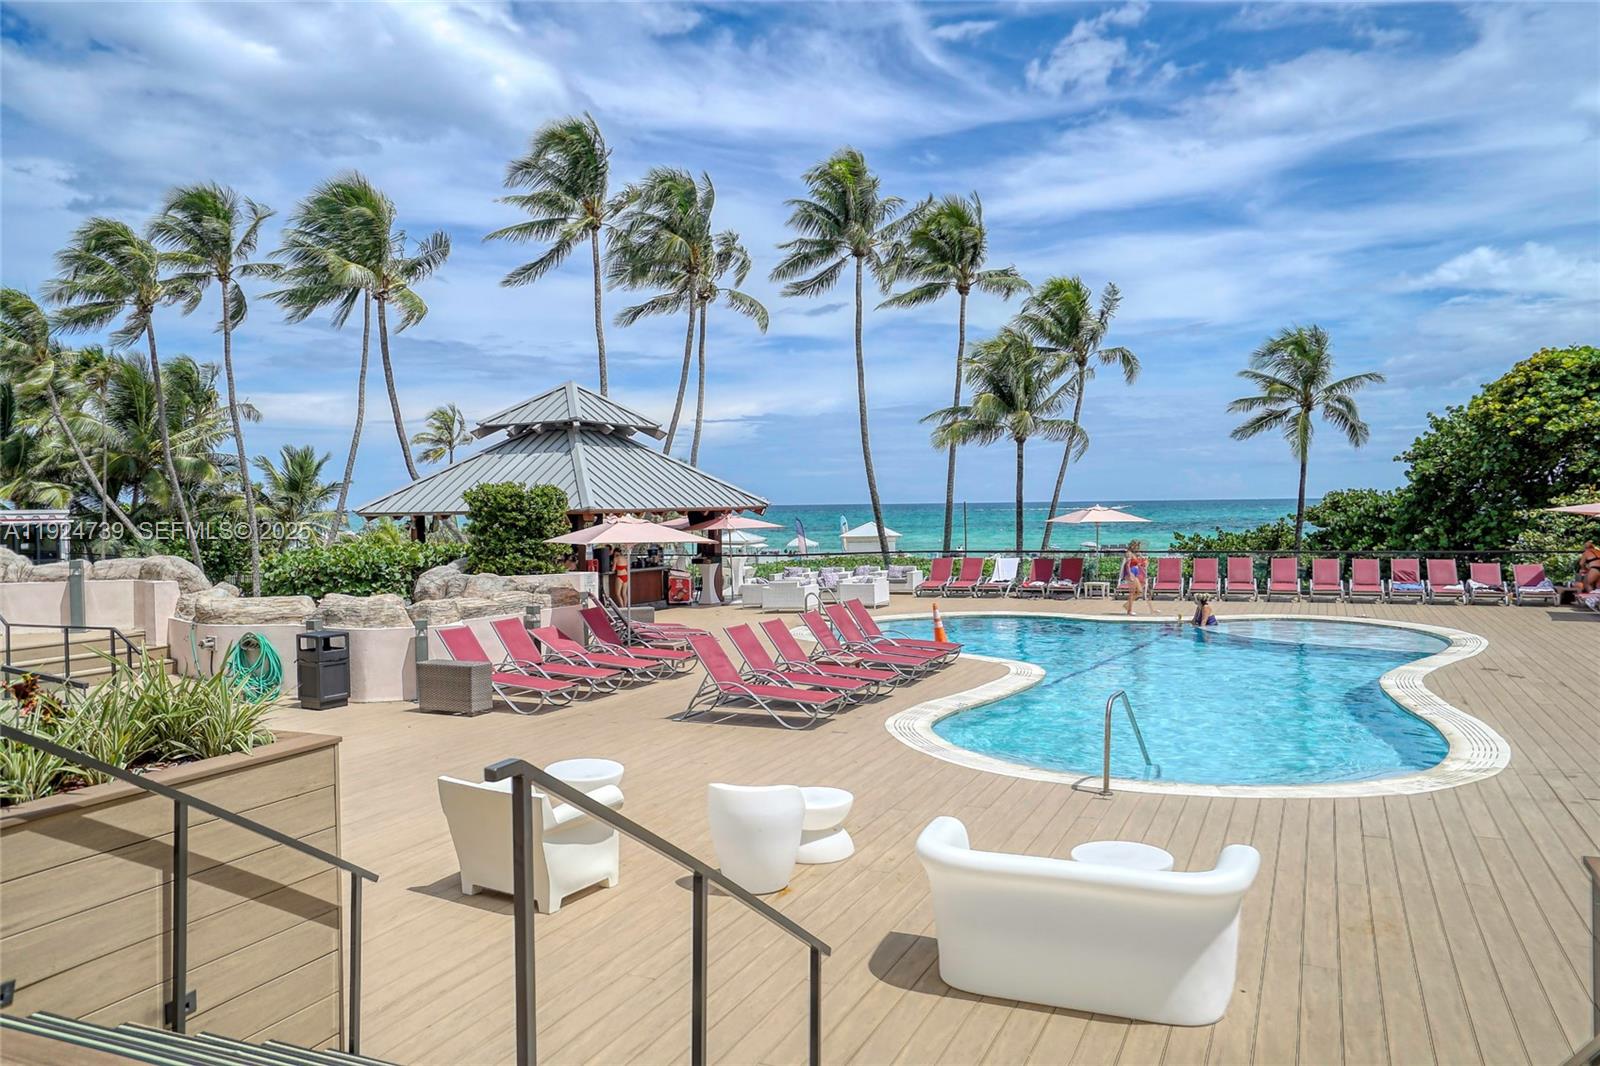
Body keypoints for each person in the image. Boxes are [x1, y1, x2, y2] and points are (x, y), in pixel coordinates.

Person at [1123, 540, 1151, 615]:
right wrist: (1130, 575)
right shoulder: (1129, 553)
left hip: (1135, 574)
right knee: (1132, 592)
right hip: (1130, 574)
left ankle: (1127, 605)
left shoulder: (1135, 554)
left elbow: (1139, 564)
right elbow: (1127, 565)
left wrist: (1144, 563)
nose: (1138, 548)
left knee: (1139, 591)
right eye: (1136, 546)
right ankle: (1129, 611)